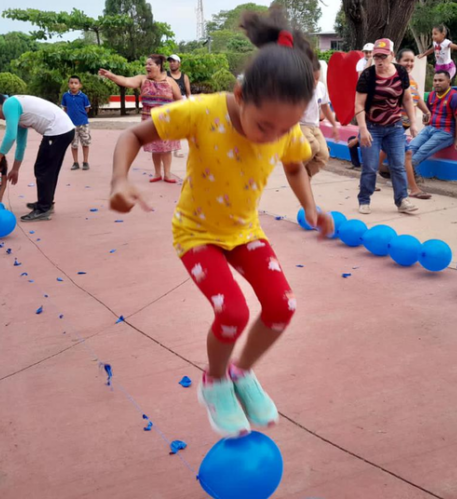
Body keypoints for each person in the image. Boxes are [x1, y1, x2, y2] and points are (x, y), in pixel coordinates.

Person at [108, 6, 333, 438]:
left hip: (244, 232)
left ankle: (241, 373)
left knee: (282, 306)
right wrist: (120, 179)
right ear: (241, 94)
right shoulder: (202, 111)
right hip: (196, 234)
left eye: (284, 128)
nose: (273, 137)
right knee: (232, 310)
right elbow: (133, 134)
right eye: (264, 126)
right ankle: (214, 382)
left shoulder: (284, 130)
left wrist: (310, 206)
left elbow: (294, 165)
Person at [0, 93, 75, 222]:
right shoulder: (17, 110)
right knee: (48, 169)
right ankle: (46, 203)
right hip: (63, 131)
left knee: (43, 170)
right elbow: (21, 144)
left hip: (58, 131)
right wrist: (15, 169)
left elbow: (10, 136)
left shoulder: (9, 104)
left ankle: (43, 209)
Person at [355, 38, 418, 215]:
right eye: (376, 57)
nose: (379, 61)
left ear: (392, 55)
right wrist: (363, 129)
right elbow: (359, 104)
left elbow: (407, 99)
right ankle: (364, 199)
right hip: (371, 126)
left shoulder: (400, 72)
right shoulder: (367, 75)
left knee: (398, 165)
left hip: (394, 127)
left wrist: (413, 122)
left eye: (383, 56)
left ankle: (402, 200)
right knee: (370, 167)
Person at [100, 55, 182, 183]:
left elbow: (179, 100)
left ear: (159, 66)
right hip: (149, 119)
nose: (146, 66)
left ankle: (167, 174)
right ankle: (157, 173)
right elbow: (126, 81)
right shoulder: (142, 79)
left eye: (150, 64)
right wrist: (111, 76)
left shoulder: (170, 81)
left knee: (166, 148)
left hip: (167, 120)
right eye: (146, 64)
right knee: (155, 147)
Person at [377, 49, 434, 199]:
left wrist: (426, 111)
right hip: (394, 124)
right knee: (407, 154)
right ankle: (414, 189)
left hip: (404, 125)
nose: (409, 63)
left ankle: (369, 178)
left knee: (385, 151)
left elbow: (416, 97)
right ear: (398, 60)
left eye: (411, 61)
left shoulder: (410, 79)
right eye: (406, 60)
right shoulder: (394, 78)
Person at [408, 70, 457, 171]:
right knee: (411, 147)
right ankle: (407, 171)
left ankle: (404, 171)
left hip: (445, 132)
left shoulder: (455, 96)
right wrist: (425, 121)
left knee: (423, 150)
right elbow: (427, 112)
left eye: (440, 80)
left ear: (448, 81)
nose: (437, 83)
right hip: (429, 128)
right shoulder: (431, 95)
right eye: (435, 80)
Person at [300, 58, 339, 179]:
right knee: (313, 146)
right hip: (300, 124)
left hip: (314, 126)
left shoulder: (321, 87)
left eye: (317, 79)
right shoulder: (297, 88)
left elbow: (325, 107)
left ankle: (304, 178)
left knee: (323, 155)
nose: (315, 82)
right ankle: (295, 170)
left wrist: (334, 125)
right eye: (312, 79)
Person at [61, 75, 92, 171]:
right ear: (68, 84)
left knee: (85, 143)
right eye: (71, 83)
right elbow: (65, 108)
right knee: (74, 144)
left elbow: (87, 109)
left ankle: (85, 162)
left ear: (80, 85)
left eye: (76, 83)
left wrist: (81, 116)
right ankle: (75, 162)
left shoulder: (84, 97)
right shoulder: (65, 96)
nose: (73, 85)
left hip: (83, 123)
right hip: (71, 125)